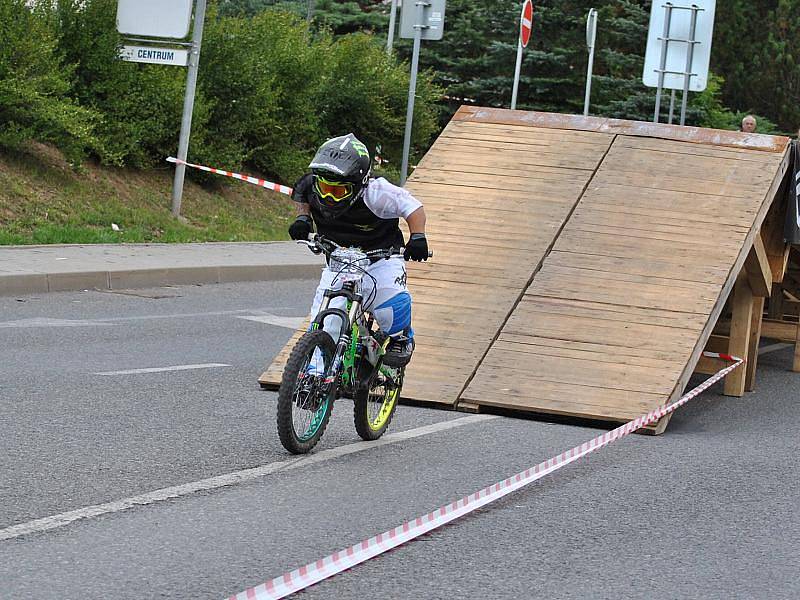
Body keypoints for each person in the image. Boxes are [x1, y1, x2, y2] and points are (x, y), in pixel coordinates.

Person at [288, 133, 429, 367]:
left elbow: (413, 207)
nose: (329, 197)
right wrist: (303, 218)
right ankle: (317, 374)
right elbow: (302, 194)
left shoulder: (378, 192)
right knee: (326, 321)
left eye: (339, 191)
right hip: (340, 257)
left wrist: (418, 236)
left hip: (381, 256)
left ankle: (401, 338)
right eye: (324, 188)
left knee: (388, 307)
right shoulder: (309, 184)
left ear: (360, 184)